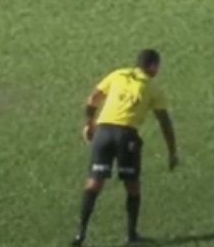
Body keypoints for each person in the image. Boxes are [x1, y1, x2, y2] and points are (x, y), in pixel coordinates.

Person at [73, 49, 179, 246]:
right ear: (153, 66)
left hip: (102, 133)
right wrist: (172, 151)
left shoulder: (117, 74)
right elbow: (165, 122)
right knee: (132, 186)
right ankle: (131, 235)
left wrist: (89, 124)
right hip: (126, 136)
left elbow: (92, 99)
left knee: (94, 183)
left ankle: (80, 234)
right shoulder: (153, 88)